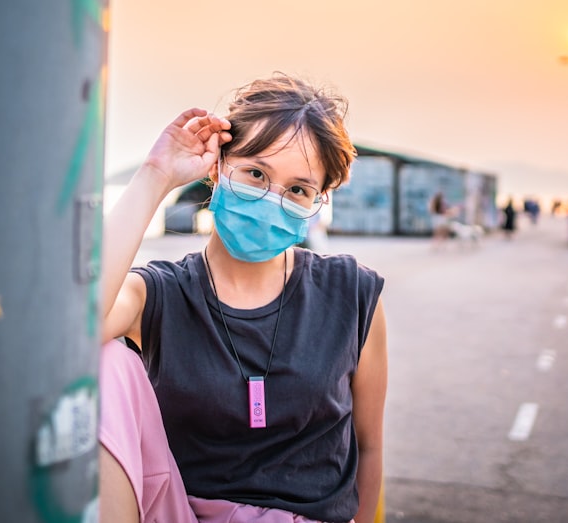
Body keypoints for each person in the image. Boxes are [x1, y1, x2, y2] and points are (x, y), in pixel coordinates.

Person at [99, 73, 388, 523]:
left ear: (319, 200)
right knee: (105, 361)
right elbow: (73, 325)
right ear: (217, 169)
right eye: (255, 173)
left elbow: (368, 447)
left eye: (298, 189)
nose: (272, 200)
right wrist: (156, 176)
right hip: (180, 513)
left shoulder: (351, 292)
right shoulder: (158, 293)